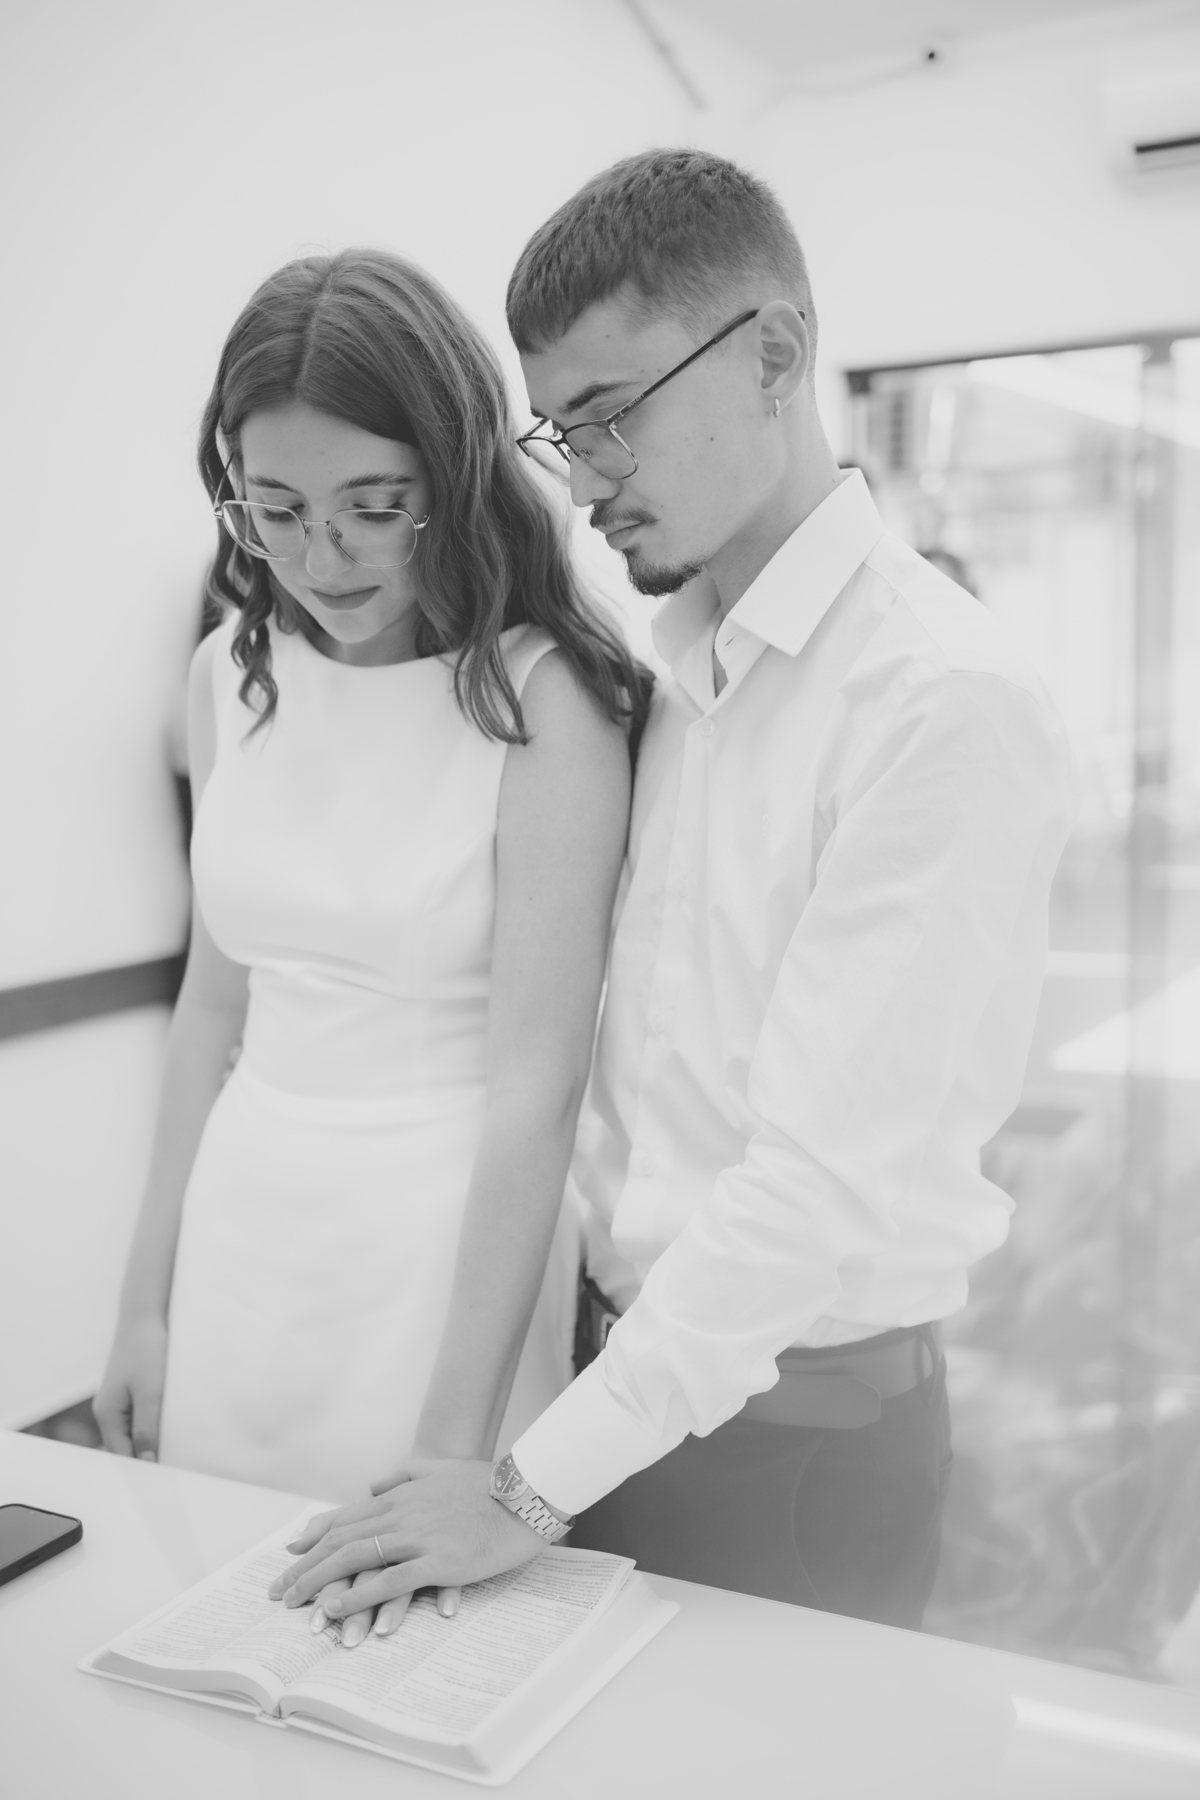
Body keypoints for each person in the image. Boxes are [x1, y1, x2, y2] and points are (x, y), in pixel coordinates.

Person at [269, 151, 1075, 1639]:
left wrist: (523, 1490)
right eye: (558, 431)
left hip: (796, 1437)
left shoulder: (940, 701)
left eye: (611, 417)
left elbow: (812, 1187)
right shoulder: (673, 668)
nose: (583, 482)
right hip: (614, 1389)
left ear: (773, 354)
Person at [94, 251, 645, 1646]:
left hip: (446, 1254)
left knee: (415, 1647)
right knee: (217, 1624)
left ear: (454, 477)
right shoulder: (229, 674)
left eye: (372, 507)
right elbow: (211, 1008)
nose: (320, 559)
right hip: (246, 1227)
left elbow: (537, 1088)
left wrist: (456, 1453)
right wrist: (144, 1303)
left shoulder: (546, 703)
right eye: (275, 508)